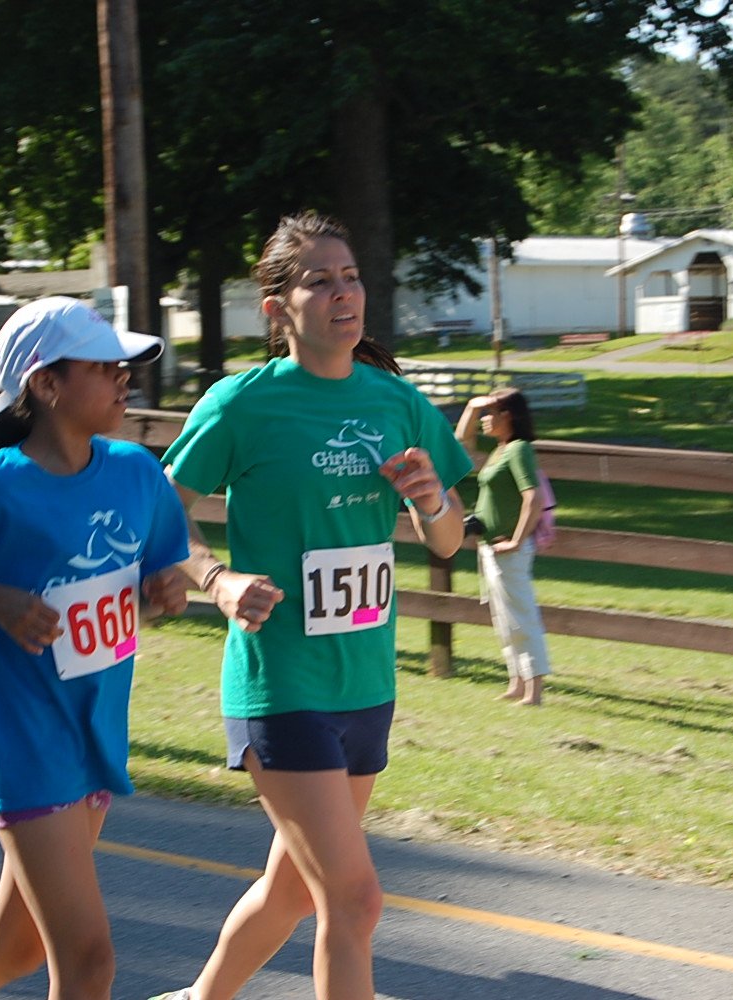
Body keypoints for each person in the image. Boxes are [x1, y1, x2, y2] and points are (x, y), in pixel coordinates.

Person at [152, 212, 472, 1000]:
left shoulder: (396, 401)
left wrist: (432, 502)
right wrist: (215, 579)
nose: (343, 293)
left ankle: (200, 999)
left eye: (351, 276)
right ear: (276, 309)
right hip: (281, 682)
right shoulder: (242, 405)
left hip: (364, 679)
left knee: (296, 889)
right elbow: (157, 508)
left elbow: (450, 541)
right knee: (353, 898)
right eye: (319, 280)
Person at [0, 297, 189, 1000]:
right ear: (47, 384)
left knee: (10, 947)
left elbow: (156, 570)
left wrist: (165, 589)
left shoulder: (136, 472)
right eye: (105, 367)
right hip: (22, 738)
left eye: (124, 366)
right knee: (89, 959)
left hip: (94, 734)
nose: (123, 378)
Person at [454, 387, 552, 706]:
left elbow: (532, 497)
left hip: (507, 549)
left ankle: (534, 690)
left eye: (489, 414)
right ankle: (516, 682)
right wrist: (471, 407)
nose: (484, 420)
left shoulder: (519, 449)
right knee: (504, 618)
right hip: (491, 548)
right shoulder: (500, 449)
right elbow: (459, 444)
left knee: (521, 616)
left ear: (507, 416)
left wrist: (516, 540)